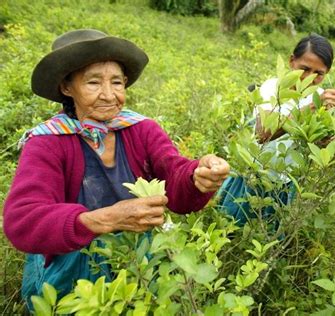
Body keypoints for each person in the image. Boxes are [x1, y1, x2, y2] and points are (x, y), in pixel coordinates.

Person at [2, 29, 230, 306]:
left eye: (117, 83)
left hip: (138, 257)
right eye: (93, 82)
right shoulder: (48, 141)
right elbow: (23, 220)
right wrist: (105, 219)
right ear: (66, 87)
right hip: (74, 263)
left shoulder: (141, 129)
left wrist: (197, 176)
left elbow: (174, 173)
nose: (109, 95)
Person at [218, 34, 335, 226]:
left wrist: (328, 136)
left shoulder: (321, 96)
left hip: (285, 182)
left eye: (319, 73)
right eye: (305, 69)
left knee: (268, 235)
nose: (310, 78)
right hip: (254, 174)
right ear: (292, 61)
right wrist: (312, 106)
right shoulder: (273, 88)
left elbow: (319, 144)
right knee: (230, 226)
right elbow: (263, 134)